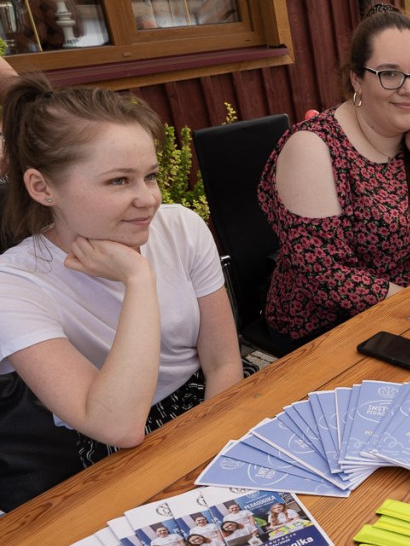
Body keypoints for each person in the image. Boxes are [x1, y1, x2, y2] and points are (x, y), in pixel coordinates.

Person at [0, 76, 246, 499]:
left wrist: (214, 449)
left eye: (149, 176)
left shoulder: (180, 228)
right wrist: (138, 280)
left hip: (211, 402)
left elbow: (223, 362)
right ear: (43, 188)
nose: (148, 198)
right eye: (119, 181)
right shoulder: (16, 284)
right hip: (107, 444)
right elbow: (116, 425)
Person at [258, 4, 410, 347]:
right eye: (390, 74)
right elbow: (327, 275)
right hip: (329, 335)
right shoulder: (313, 148)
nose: (409, 89)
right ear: (356, 79)